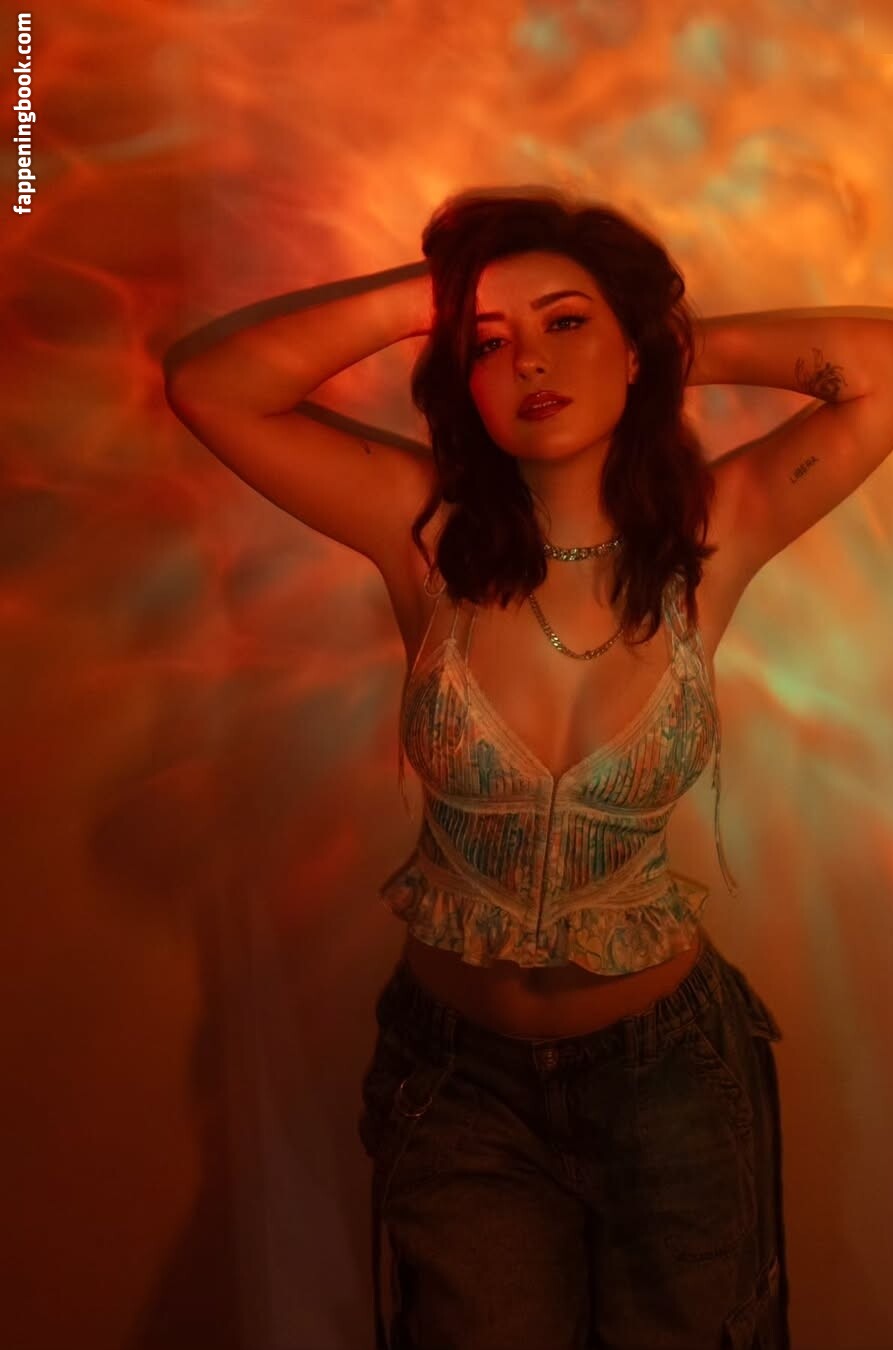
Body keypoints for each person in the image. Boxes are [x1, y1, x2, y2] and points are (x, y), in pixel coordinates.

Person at [165, 186, 791, 1350]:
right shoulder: (425, 530)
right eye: (489, 344)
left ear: (635, 349)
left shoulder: (715, 538)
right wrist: (446, 296)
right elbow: (214, 387)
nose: (530, 362)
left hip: (669, 1078)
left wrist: (664, 341)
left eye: (567, 324)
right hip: (459, 1090)